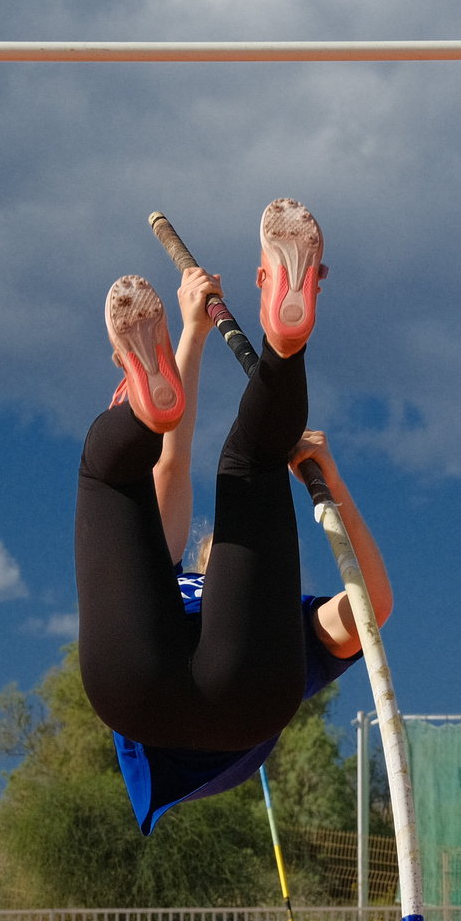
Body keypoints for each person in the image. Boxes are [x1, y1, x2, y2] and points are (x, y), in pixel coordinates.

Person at [75, 200, 393, 832]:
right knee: (251, 464)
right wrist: (191, 331)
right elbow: (370, 613)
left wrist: (191, 336)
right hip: (234, 701)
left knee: (118, 475)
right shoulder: (289, 628)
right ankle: (284, 341)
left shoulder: (184, 589)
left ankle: (144, 409)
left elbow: (170, 465)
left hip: (143, 695)